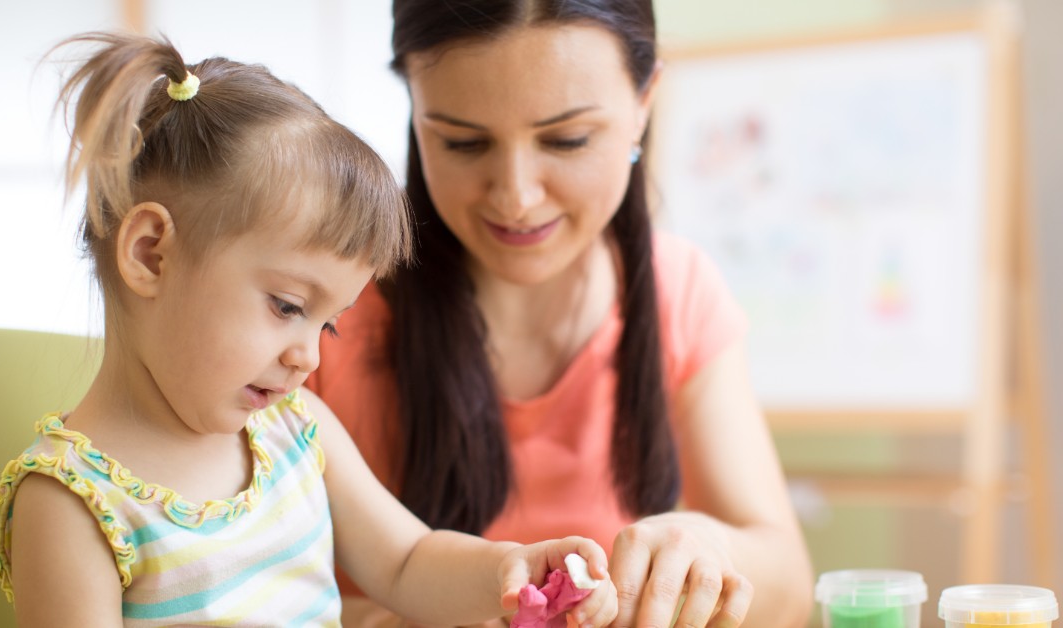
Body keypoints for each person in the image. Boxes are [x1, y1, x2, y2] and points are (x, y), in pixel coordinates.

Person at [0, 32, 620, 628]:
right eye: (288, 306)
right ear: (151, 255)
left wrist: (508, 569)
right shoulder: (74, 504)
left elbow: (407, 562)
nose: (308, 357)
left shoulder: (294, 430)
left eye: (329, 326)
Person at [304, 1, 814, 626]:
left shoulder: (678, 293)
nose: (516, 196)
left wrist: (710, 548)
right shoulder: (315, 312)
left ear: (644, 102)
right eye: (463, 142)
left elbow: (789, 589)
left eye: (566, 139)